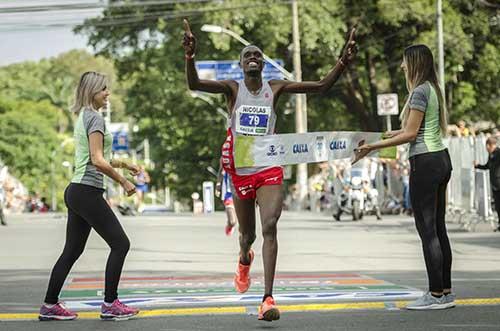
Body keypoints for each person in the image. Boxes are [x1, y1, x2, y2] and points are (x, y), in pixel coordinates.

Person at [183, 19, 357, 321]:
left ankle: (267, 298)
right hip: (240, 170)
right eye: (248, 55)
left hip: (269, 168)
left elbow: (321, 87)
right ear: (240, 65)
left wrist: (343, 61)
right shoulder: (232, 89)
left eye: (257, 56)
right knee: (247, 235)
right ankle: (243, 258)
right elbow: (195, 85)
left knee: (270, 227)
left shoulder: (274, 88)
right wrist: (190, 57)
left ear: (263, 65)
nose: (253, 58)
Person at [353, 44, 454, 310]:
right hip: (441, 159)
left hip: (426, 162)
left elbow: (410, 135)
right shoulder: (432, 89)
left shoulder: (420, 91)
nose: (401, 66)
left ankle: (434, 295)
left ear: (415, 63)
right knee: (439, 229)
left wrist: (371, 148)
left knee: (428, 230)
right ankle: (444, 291)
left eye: (404, 62)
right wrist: (380, 138)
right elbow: (407, 130)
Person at [39, 72, 141, 321]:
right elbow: (97, 160)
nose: (108, 93)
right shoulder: (95, 118)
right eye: (103, 89)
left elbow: (97, 156)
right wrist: (123, 180)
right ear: (92, 91)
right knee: (120, 244)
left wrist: (124, 164)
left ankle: (50, 305)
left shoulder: (84, 116)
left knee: (72, 250)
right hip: (86, 191)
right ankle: (110, 303)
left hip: (77, 190)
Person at [475, 137, 500, 231]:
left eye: (488, 146)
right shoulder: (491, 154)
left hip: (498, 182)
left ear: (492, 145)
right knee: (497, 206)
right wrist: (478, 166)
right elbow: (487, 166)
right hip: (494, 184)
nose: (487, 148)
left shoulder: (498, 153)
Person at [216, 167, 237, 236]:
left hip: (242, 192)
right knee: (232, 221)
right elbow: (220, 171)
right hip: (228, 194)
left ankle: (247, 245)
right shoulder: (225, 157)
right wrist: (218, 185)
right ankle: (229, 225)